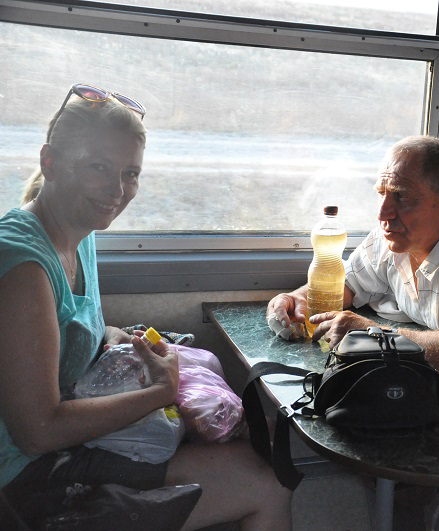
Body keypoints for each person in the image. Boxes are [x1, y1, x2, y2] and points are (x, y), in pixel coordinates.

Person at [0, 84, 291, 530]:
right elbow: (37, 431)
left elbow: (63, 337)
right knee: (265, 484)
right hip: (27, 477)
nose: (117, 190)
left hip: (67, 446)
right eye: (99, 167)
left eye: (130, 173)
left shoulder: (77, 233)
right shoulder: (23, 266)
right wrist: (158, 393)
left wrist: (117, 339)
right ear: (50, 163)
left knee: (262, 441)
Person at [268, 135, 439, 378]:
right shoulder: (395, 233)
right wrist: (297, 299)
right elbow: (350, 284)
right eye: (381, 194)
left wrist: (377, 337)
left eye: (400, 196)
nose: (383, 213)